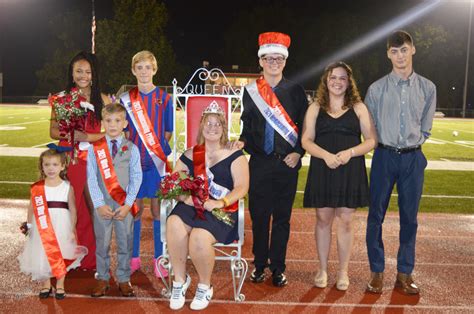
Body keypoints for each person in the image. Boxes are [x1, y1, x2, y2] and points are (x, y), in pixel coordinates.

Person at [232, 31, 307, 287]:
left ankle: (278, 267)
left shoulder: (296, 90)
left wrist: (299, 153)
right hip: (260, 163)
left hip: (287, 163)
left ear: (284, 62)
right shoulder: (251, 91)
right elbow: (247, 124)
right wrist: (242, 141)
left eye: (278, 58)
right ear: (261, 61)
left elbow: (305, 128)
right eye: (268, 58)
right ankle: (260, 265)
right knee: (260, 217)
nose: (274, 63)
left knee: (282, 219)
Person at [365, 30, 436, 295]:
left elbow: (426, 128)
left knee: (410, 219)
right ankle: (377, 272)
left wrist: (412, 145)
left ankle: (404, 273)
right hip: (384, 157)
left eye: (404, 50)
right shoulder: (376, 89)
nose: (399, 56)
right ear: (388, 54)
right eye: (394, 51)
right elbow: (368, 127)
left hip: (412, 158)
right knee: (376, 217)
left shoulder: (428, 88)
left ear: (413, 50)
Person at [301, 62, 377, 290]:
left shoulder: (359, 107)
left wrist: (350, 153)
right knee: (323, 220)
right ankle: (322, 269)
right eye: (333, 77)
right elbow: (306, 140)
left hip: (349, 169)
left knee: (345, 221)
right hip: (323, 167)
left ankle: (343, 272)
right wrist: (326, 156)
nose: (337, 82)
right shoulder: (315, 107)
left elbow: (372, 140)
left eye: (342, 78)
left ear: (348, 82)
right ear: (326, 80)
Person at [166, 104, 249, 310]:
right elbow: (173, 182)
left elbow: (242, 187)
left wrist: (220, 202)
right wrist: (184, 198)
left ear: (224, 128)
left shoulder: (234, 154)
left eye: (218, 124)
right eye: (208, 123)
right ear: (201, 126)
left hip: (221, 211)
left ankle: (205, 285)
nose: (213, 127)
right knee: (174, 222)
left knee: (199, 238)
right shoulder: (191, 153)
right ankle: (179, 281)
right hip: (192, 206)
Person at [49, 51, 112, 270]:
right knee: (68, 209)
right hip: (68, 160)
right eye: (78, 71)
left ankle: (92, 258)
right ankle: (68, 256)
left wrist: (87, 137)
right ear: (72, 73)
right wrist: (69, 132)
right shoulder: (61, 98)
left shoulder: (103, 99)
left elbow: (113, 131)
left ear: (94, 74)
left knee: (92, 210)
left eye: (87, 71)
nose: (83, 75)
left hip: (93, 160)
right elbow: (53, 131)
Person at [119, 50, 173, 278]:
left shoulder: (164, 98)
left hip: (156, 164)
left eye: (147, 67)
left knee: (158, 210)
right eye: (139, 67)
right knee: (135, 211)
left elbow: (168, 132)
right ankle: (134, 258)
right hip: (133, 164)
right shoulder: (125, 99)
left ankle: (159, 259)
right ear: (133, 70)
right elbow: (120, 131)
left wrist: (155, 153)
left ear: (154, 70)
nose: (143, 72)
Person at [87, 104, 142, 297]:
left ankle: (124, 279)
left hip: (123, 205)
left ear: (125, 123)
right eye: (108, 121)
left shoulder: (132, 148)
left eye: (117, 120)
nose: (113, 125)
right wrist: (98, 204)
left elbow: (137, 177)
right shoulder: (95, 149)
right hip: (101, 204)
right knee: (102, 242)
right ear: (103, 123)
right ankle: (102, 278)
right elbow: (91, 178)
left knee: (125, 242)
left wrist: (128, 204)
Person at [18, 147, 88, 300]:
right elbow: (31, 208)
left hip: (62, 224)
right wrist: (29, 226)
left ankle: (60, 283)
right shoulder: (37, 188)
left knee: (61, 253)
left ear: (62, 166)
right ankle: (46, 284)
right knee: (42, 253)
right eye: (47, 165)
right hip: (41, 225)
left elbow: (73, 209)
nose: (51, 168)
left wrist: (71, 229)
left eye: (55, 165)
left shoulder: (67, 187)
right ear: (42, 167)